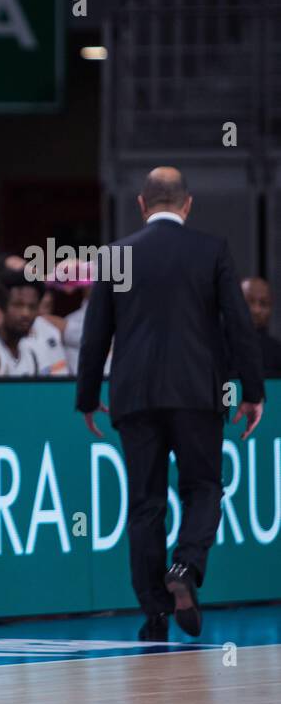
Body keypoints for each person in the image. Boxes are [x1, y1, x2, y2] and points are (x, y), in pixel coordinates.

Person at [77, 167, 265, 643]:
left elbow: (96, 331)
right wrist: (253, 391)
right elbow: (240, 325)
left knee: (145, 503)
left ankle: (155, 613)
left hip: (135, 396)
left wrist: (86, 397)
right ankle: (186, 565)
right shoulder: (212, 249)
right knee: (203, 487)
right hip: (197, 393)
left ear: (142, 205)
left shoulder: (116, 255)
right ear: (188, 204)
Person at [0, 268, 69, 376]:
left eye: (32, 307)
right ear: (1, 306)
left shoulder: (31, 354)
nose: (26, 313)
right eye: (17, 305)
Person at [240, 277, 281, 377]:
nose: (256, 310)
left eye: (263, 303)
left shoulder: (277, 352)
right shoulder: (214, 349)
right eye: (250, 301)